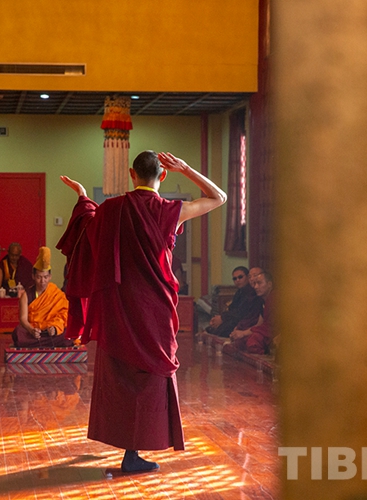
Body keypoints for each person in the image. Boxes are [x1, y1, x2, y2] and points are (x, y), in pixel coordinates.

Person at [57, 150, 226, 472]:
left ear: (131, 174)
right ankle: (134, 453)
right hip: (154, 309)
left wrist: (82, 195)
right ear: (163, 175)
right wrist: (186, 169)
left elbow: (86, 225)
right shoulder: (171, 211)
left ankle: (128, 449)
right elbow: (219, 197)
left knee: (121, 374)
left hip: (119, 307)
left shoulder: (111, 209)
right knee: (150, 375)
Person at [11, 247, 70, 348]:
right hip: (34, 331)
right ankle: (44, 341)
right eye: (39, 277)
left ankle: (41, 341)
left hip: (51, 330)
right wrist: (31, 330)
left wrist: (55, 328)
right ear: (33, 276)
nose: (42, 281)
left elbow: (63, 315)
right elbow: (23, 319)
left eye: (45, 277)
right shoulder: (26, 295)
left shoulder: (56, 293)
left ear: (50, 276)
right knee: (18, 333)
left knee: (67, 334)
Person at [206, 266, 264, 338]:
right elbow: (232, 309)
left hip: (245, 321)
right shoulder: (240, 292)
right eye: (235, 278)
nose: (237, 280)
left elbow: (243, 313)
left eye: (240, 277)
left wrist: (223, 318)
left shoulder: (254, 292)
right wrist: (221, 318)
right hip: (238, 319)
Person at [228, 270, 276, 355]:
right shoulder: (262, 301)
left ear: (269, 284)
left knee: (253, 342)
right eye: (255, 284)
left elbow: (272, 326)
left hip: (277, 332)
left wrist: (243, 333)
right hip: (266, 331)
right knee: (240, 341)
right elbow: (259, 324)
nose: (256, 287)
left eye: (259, 283)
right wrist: (240, 332)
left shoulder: (275, 298)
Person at [0, 242, 34, 309]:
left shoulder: (25, 264)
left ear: (20, 254)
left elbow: (32, 283)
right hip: (7, 293)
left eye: (16, 255)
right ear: (8, 253)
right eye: (12, 255)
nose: (14, 258)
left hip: (22, 293)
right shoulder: (3, 264)